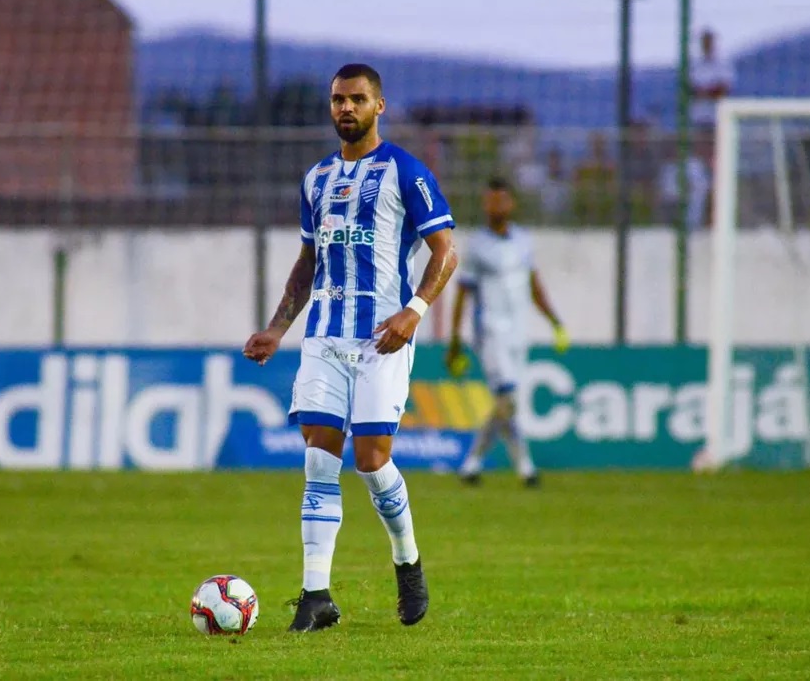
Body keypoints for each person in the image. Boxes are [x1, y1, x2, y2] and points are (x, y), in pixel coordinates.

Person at [242, 63, 459, 633]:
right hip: (324, 337)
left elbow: (445, 253)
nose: (346, 108)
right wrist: (276, 327)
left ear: (379, 106)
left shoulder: (405, 173)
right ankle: (316, 595)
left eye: (357, 99)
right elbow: (307, 262)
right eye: (338, 99)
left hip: (381, 340)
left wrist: (414, 312)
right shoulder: (315, 179)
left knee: (371, 459)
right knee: (318, 454)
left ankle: (407, 561)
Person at [445, 177, 567, 487]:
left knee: (507, 403)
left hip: (518, 332)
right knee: (507, 397)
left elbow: (534, 284)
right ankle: (522, 466)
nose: (495, 206)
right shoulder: (476, 245)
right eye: (490, 200)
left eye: (501, 200)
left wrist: (554, 320)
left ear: (511, 204)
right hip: (490, 332)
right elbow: (462, 293)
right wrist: (456, 339)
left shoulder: (523, 241)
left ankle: (473, 465)